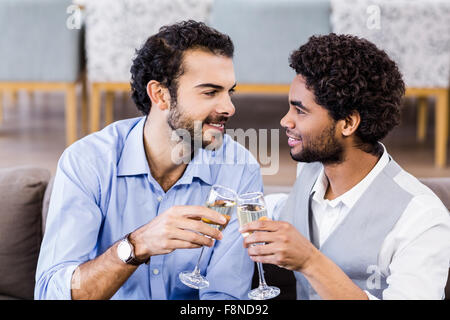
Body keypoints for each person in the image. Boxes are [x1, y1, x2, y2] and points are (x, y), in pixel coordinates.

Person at [35, 20, 262, 300]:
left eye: (230, 91)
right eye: (210, 92)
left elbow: (225, 296)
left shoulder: (239, 169)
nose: (229, 107)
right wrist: (137, 245)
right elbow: (51, 293)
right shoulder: (88, 162)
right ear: (160, 94)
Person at [239, 33, 450, 300]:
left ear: (348, 123)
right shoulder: (311, 169)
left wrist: (310, 261)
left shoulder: (421, 219)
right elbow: (286, 207)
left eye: (300, 111)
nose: (285, 121)